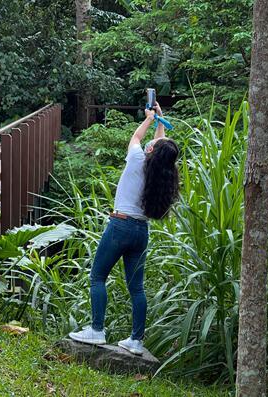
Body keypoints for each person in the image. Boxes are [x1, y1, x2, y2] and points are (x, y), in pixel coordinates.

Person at [69, 102, 180, 355]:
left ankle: (97, 331)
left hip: (119, 226)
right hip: (141, 232)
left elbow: (136, 137)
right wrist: (160, 120)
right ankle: (136, 341)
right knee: (136, 288)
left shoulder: (137, 159)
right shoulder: (163, 173)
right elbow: (158, 148)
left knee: (97, 277)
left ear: (151, 150)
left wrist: (149, 119)